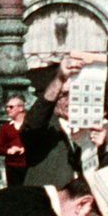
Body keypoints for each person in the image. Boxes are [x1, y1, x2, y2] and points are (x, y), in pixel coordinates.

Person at [22, 57, 86, 186]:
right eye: (65, 96)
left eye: (76, 96)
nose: (71, 101)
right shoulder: (44, 126)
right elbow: (33, 123)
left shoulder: (88, 127)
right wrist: (60, 78)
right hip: (46, 199)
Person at [0, 94, 27, 187]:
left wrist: (25, 149)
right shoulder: (6, 127)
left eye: (11, 107)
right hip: (12, 166)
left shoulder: (30, 124)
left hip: (29, 165)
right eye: (7, 107)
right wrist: (8, 150)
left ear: (21, 108)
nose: (8, 109)